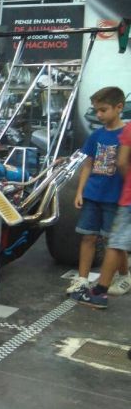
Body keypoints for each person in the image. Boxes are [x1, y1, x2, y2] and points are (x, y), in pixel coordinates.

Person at [66, 86, 131, 298]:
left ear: (119, 107)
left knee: (114, 242)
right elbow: (88, 164)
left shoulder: (126, 134)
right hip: (93, 195)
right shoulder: (96, 135)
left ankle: (124, 275)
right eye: (96, 110)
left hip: (116, 197)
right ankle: (82, 279)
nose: (99, 115)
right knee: (88, 237)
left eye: (103, 110)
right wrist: (80, 191)